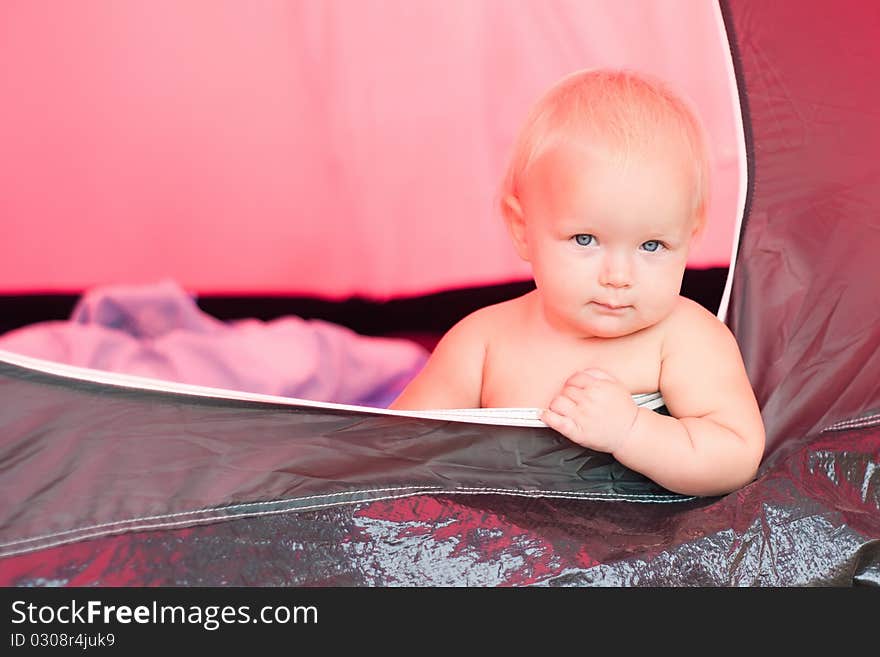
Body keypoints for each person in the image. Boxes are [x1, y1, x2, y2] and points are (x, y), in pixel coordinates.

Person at [390, 69, 765, 497]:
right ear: (521, 228)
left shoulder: (685, 339)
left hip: (637, 551)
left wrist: (631, 431)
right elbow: (395, 447)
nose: (619, 277)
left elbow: (736, 456)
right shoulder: (483, 342)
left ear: (691, 236)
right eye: (585, 239)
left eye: (653, 246)